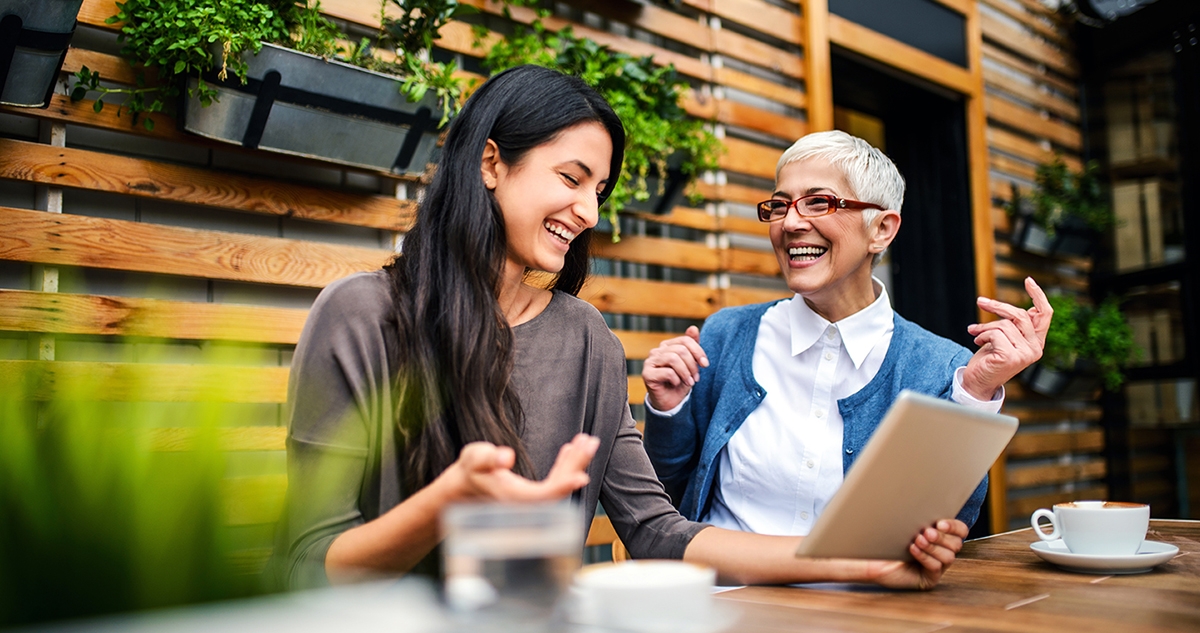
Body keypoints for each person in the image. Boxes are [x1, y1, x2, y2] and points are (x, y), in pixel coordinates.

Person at [276, 67, 969, 592]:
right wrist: (447, 501)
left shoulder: (586, 340)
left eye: (598, 190)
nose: (588, 212)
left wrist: (865, 561)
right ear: (491, 163)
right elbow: (310, 563)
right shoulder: (362, 316)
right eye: (572, 177)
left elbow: (658, 530)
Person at [641, 130, 1051, 539]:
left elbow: (944, 525)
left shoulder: (943, 368)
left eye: (819, 202)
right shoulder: (726, 335)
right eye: (780, 205)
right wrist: (668, 410)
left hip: (858, 601)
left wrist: (975, 394)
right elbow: (669, 494)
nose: (791, 222)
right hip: (727, 594)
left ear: (882, 230)